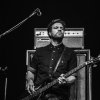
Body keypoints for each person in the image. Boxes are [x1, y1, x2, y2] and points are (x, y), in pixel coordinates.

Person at [25, 19, 77, 100]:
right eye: (56, 27)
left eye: (62, 28)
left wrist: (66, 80)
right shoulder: (39, 51)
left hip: (59, 95)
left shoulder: (70, 53)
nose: (60, 29)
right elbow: (31, 71)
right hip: (39, 94)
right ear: (49, 33)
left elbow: (73, 77)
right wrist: (30, 81)